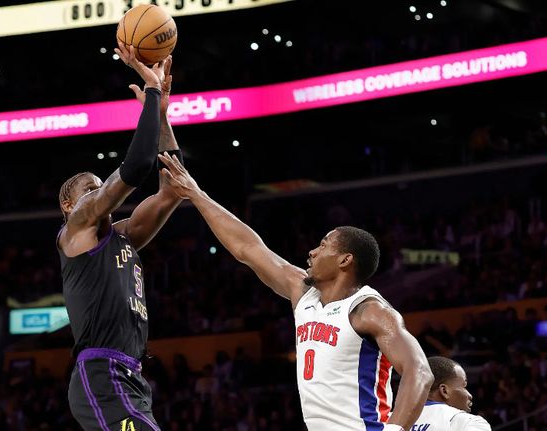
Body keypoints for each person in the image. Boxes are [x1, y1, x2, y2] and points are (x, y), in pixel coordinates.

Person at [157, 153, 434, 431]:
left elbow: (419, 371)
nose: (312, 251)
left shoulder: (369, 310)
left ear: (345, 260)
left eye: (323, 245)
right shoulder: (303, 293)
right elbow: (247, 248)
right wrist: (196, 194)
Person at [57, 42, 183, 431]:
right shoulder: (75, 230)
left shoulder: (124, 235)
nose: (100, 193)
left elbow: (174, 189)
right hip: (100, 373)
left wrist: (162, 117)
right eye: (90, 189)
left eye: (100, 187)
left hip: (132, 377)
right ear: (68, 205)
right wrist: (152, 91)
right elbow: (137, 166)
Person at [411, 356, 491, 431]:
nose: (470, 395)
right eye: (464, 387)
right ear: (444, 391)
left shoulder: (403, 420)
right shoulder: (469, 422)